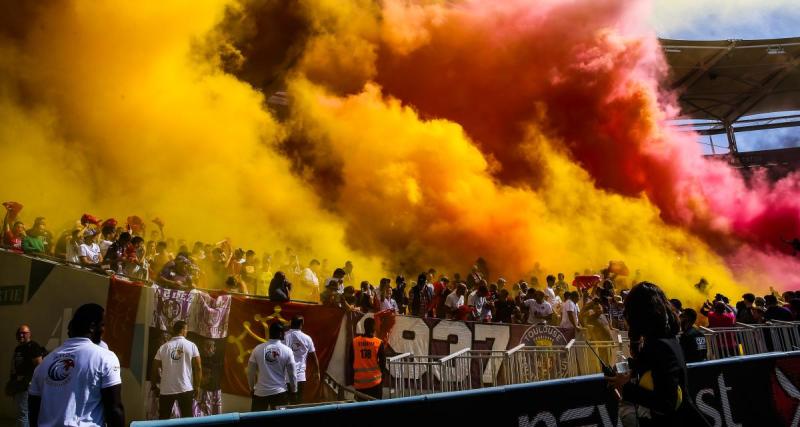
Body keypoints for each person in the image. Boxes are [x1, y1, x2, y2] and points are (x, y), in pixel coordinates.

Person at [606, 282, 709, 427]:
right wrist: (631, 372)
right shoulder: (664, 339)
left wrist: (626, 387)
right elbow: (649, 365)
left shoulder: (660, 346)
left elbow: (666, 402)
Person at [28, 303, 125, 427]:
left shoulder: (44, 363)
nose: (104, 330)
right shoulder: (105, 358)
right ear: (92, 327)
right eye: (103, 325)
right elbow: (114, 409)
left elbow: (33, 409)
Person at [151, 321, 201, 419]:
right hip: (186, 388)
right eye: (186, 329)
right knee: (187, 419)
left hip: (166, 389)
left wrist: (153, 385)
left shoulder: (163, 347)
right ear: (182, 330)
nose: (187, 331)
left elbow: (154, 368)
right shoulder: (191, 346)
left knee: (163, 419)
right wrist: (197, 386)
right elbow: (198, 367)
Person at [248, 322, 297, 411]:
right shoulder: (287, 351)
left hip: (260, 393)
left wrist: (252, 388)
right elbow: (292, 374)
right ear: (281, 334)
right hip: (280, 393)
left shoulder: (257, 349)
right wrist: (294, 390)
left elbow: (250, 372)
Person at [6, 324, 45, 427]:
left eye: (24, 333)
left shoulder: (32, 346)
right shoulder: (18, 348)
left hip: (26, 386)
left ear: (29, 334)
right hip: (18, 385)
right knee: (20, 413)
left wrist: (30, 382)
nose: (21, 335)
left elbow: (40, 366)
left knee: (23, 414)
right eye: (19, 333)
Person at [283, 316, 320, 405]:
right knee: (297, 404)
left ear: (291, 323)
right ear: (302, 324)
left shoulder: (284, 336)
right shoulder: (307, 338)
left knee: (284, 406)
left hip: (285, 377)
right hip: (300, 377)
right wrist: (317, 371)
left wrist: (287, 326)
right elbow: (314, 357)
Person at [349, 318, 386, 400]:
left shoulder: (354, 342)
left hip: (359, 383)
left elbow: (350, 361)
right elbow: (383, 364)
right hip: (375, 383)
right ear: (374, 328)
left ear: (364, 327)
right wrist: (382, 380)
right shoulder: (378, 342)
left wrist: (352, 379)